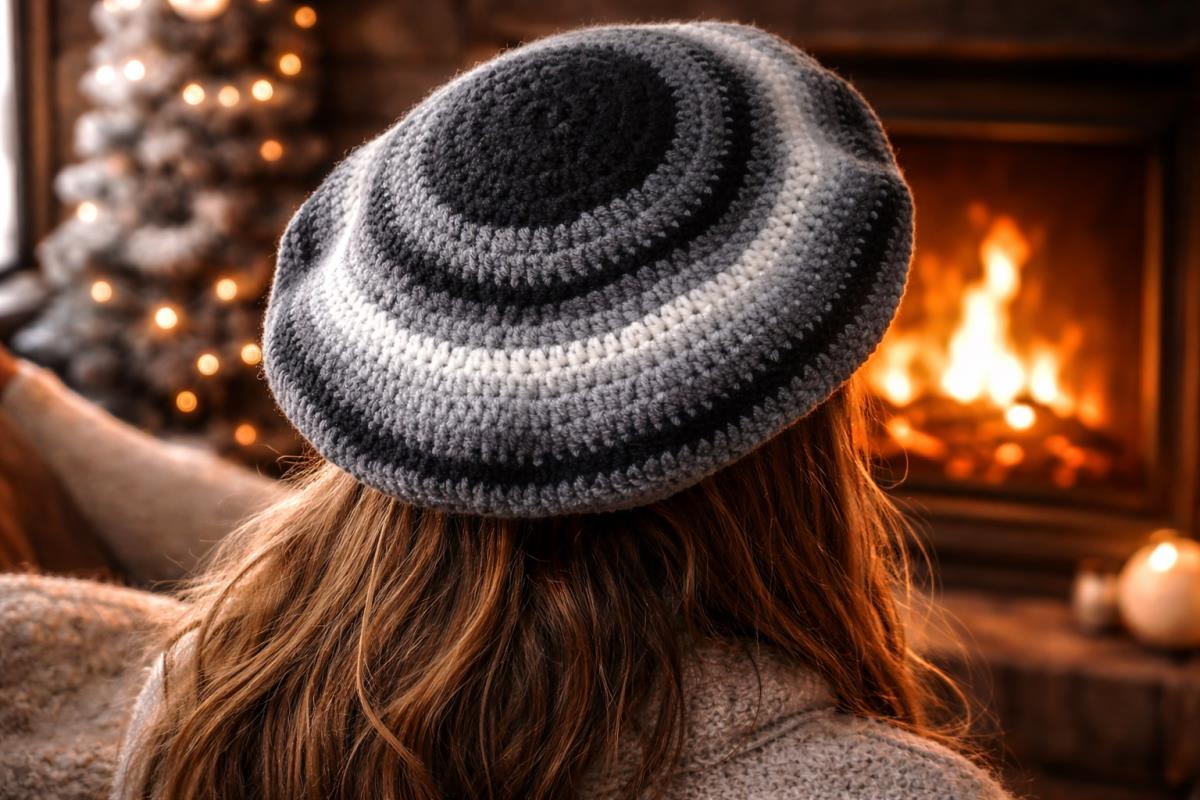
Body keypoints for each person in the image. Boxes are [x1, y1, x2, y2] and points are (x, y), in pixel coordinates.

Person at [0, 22, 1012, 800]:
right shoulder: (895, 786)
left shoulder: (205, 700)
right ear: (802, 413)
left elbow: (282, 540)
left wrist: (29, 401)